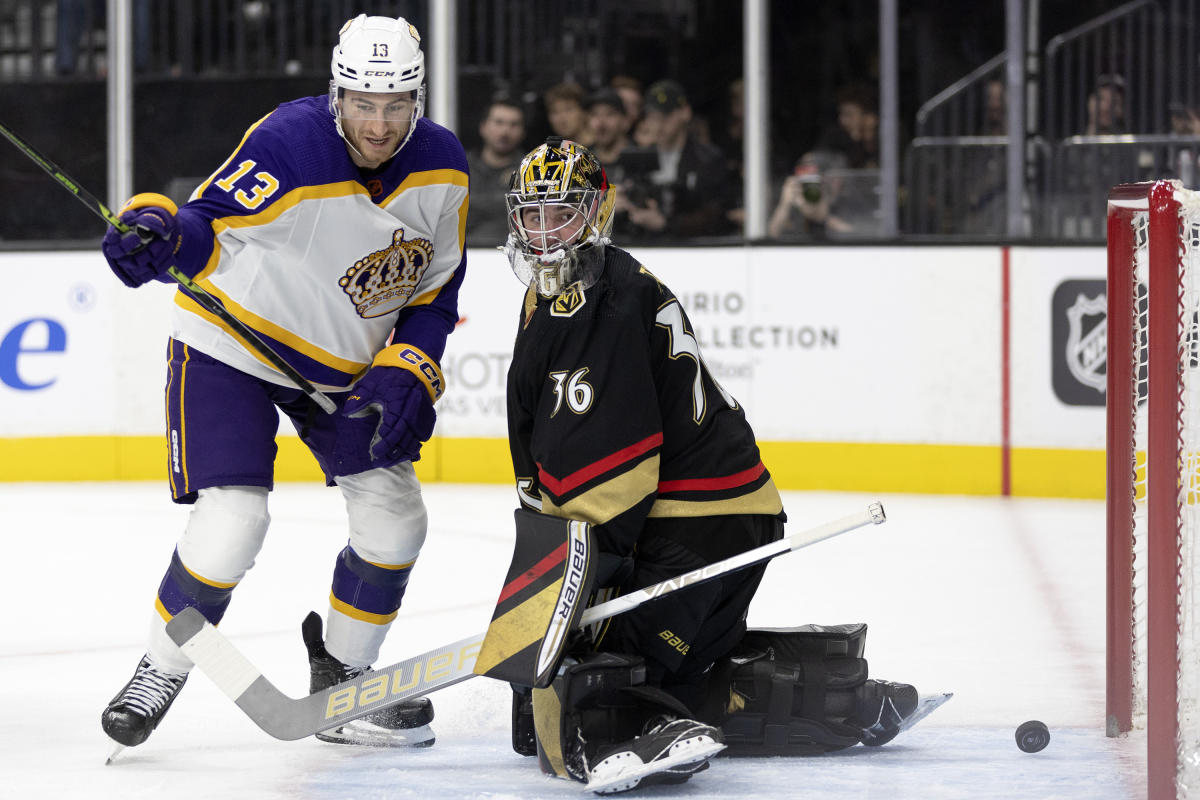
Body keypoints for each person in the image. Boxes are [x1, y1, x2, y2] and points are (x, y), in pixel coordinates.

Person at [498, 137, 921, 792]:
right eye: (534, 213)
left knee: (583, 688)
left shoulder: (599, 305)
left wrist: (549, 605)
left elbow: (612, 478)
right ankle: (833, 697)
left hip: (693, 532)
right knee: (662, 672)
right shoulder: (579, 291)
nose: (547, 232)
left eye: (565, 212)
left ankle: (633, 730)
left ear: (599, 211)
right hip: (729, 522)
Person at [96, 14, 468, 756]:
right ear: (337, 94)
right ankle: (159, 667)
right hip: (232, 343)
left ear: (418, 99)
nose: (379, 122)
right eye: (363, 103)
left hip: (338, 367)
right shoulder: (290, 140)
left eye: (396, 104)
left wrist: (410, 366)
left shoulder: (444, 167)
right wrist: (154, 228)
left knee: (397, 518)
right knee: (234, 521)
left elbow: (438, 285)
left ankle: (344, 681)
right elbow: (201, 226)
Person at [623, 80, 732, 241]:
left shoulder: (708, 159)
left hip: (694, 247)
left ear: (685, 112)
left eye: (665, 116)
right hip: (645, 245)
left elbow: (715, 216)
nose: (658, 124)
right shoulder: (638, 158)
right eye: (653, 117)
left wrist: (665, 224)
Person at [466, 97, 526, 247]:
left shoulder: (531, 172)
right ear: (483, 127)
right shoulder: (461, 166)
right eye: (499, 122)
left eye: (514, 125)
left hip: (515, 256)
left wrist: (473, 204)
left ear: (523, 132)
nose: (505, 131)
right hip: (465, 256)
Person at [768, 150, 856, 239]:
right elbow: (772, 236)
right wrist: (785, 204)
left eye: (815, 175)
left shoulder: (847, 202)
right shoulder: (796, 200)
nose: (812, 183)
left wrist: (824, 218)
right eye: (805, 173)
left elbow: (857, 235)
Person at [543, 80, 594, 147]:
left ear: (583, 112)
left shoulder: (602, 149)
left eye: (568, 109)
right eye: (555, 112)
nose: (562, 118)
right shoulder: (550, 153)